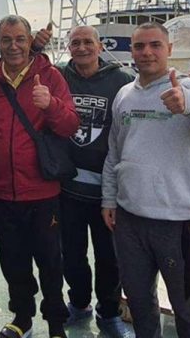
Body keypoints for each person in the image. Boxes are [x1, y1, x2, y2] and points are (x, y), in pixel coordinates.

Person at [101, 22, 190, 338]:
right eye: (139, 47)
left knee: (187, 307)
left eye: (155, 45)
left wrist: (189, 104)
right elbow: (115, 152)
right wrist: (109, 199)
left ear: (169, 50)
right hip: (130, 220)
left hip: (179, 222)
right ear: (132, 52)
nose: (147, 52)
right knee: (138, 300)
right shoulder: (124, 95)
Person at [0, 15, 80, 338]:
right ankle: (22, 317)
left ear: (29, 39)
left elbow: (70, 126)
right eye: (6, 40)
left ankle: (56, 323)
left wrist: (50, 105)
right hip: (5, 194)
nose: (14, 46)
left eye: (20, 38)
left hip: (43, 192)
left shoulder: (50, 77)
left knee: (51, 262)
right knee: (13, 261)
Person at [55, 26, 134, 338]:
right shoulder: (59, 76)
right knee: (71, 253)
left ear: (100, 47)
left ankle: (109, 311)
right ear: (68, 47)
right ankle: (78, 303)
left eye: (88, 42)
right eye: (76, 42)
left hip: (107, 192)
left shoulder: (122, 81)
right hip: (69, 188)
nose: (82, 48)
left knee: (109, 257)